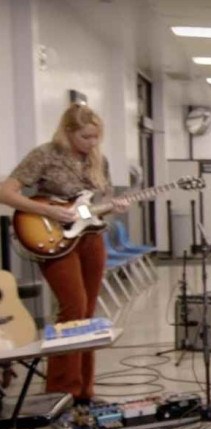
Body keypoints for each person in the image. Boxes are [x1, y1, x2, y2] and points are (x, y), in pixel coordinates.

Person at [0, 103, 127, 405]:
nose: (92, 143)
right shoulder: (45, 155)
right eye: (86, 137)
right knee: (72, 307)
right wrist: (44, 209)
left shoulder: (99, 161)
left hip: (91, 238)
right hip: (53, 237)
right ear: (68, 132)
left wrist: (116, 205)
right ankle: (62, 390)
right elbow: (6, 191)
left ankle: (85, 390)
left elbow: (99, 202)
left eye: (96, 137)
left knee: (87, 312)